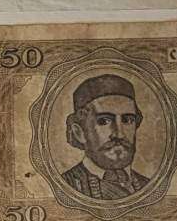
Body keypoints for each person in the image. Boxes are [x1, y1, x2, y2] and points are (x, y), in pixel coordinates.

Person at [59, 75, 147, 203]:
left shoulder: (147, 185)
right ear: (80, 132)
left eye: (127, 120)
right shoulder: (65, 185)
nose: (119, 134)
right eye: (104, 121)